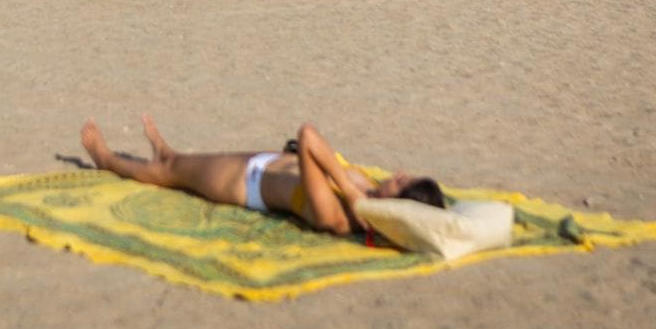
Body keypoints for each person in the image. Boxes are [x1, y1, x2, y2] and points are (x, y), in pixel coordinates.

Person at [81, 115, 444, 236]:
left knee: (171, 174)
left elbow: (308, 135)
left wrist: (350, 192)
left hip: (247, 182)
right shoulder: (370, 193)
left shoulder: (337, 216)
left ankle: (106, 158)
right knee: (177, 163)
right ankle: (166, 151)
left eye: (401, 182)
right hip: (270, 162)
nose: (396, 174)